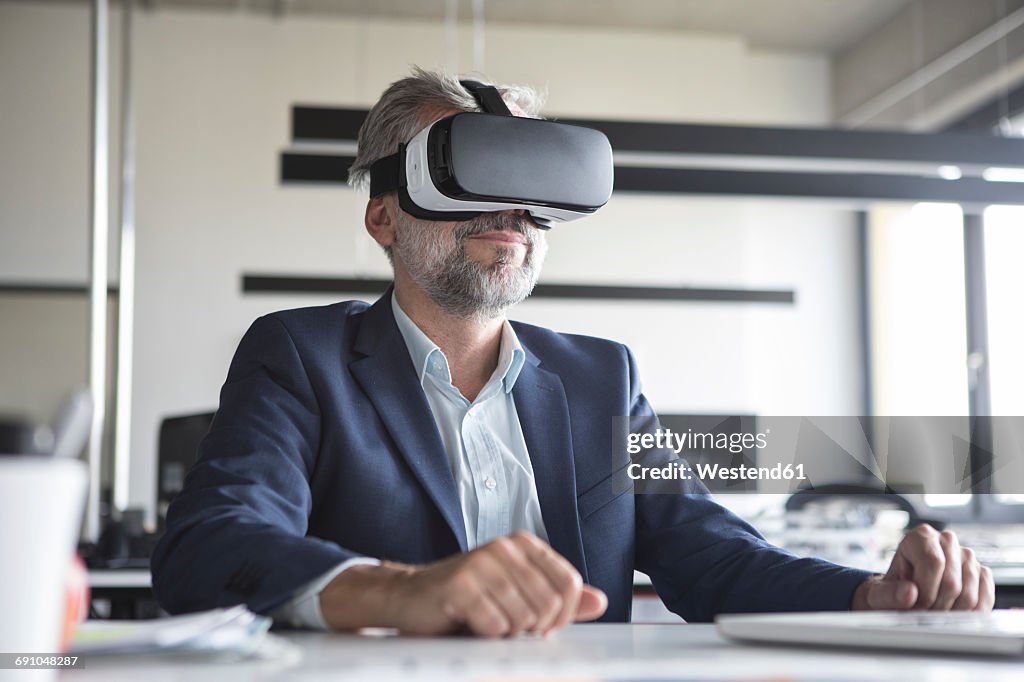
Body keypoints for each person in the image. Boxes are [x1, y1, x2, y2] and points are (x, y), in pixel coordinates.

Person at [151, 68, 994, 637]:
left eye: (527, 181)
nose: (508, 208)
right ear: (384, 217)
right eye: (468, 175)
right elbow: (208, 546)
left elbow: (710, 556)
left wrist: (865, 595)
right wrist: (402, 591)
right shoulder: (302, 355)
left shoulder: (603, 378)